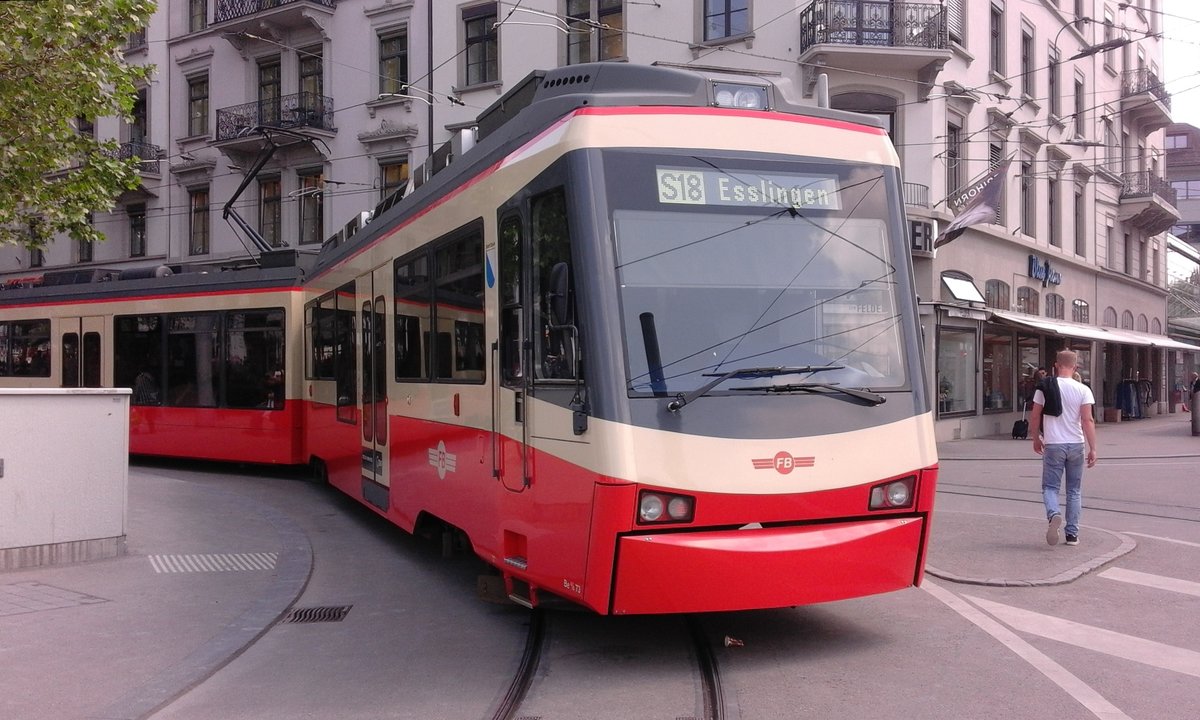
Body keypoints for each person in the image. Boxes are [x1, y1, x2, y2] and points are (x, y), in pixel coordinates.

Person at [1028, 349, 1096, 547]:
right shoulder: (1083, 390)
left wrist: (1036, 438)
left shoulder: (1044, 387)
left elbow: (1035, 416)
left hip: (1054, 444)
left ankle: (1054, 514)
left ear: (1056, 365)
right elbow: (1087, 420)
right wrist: (1093, 448)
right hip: (1076, 444)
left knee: (1050, 487)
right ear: (1075, 367)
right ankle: (1072, 535)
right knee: (1074, 490)